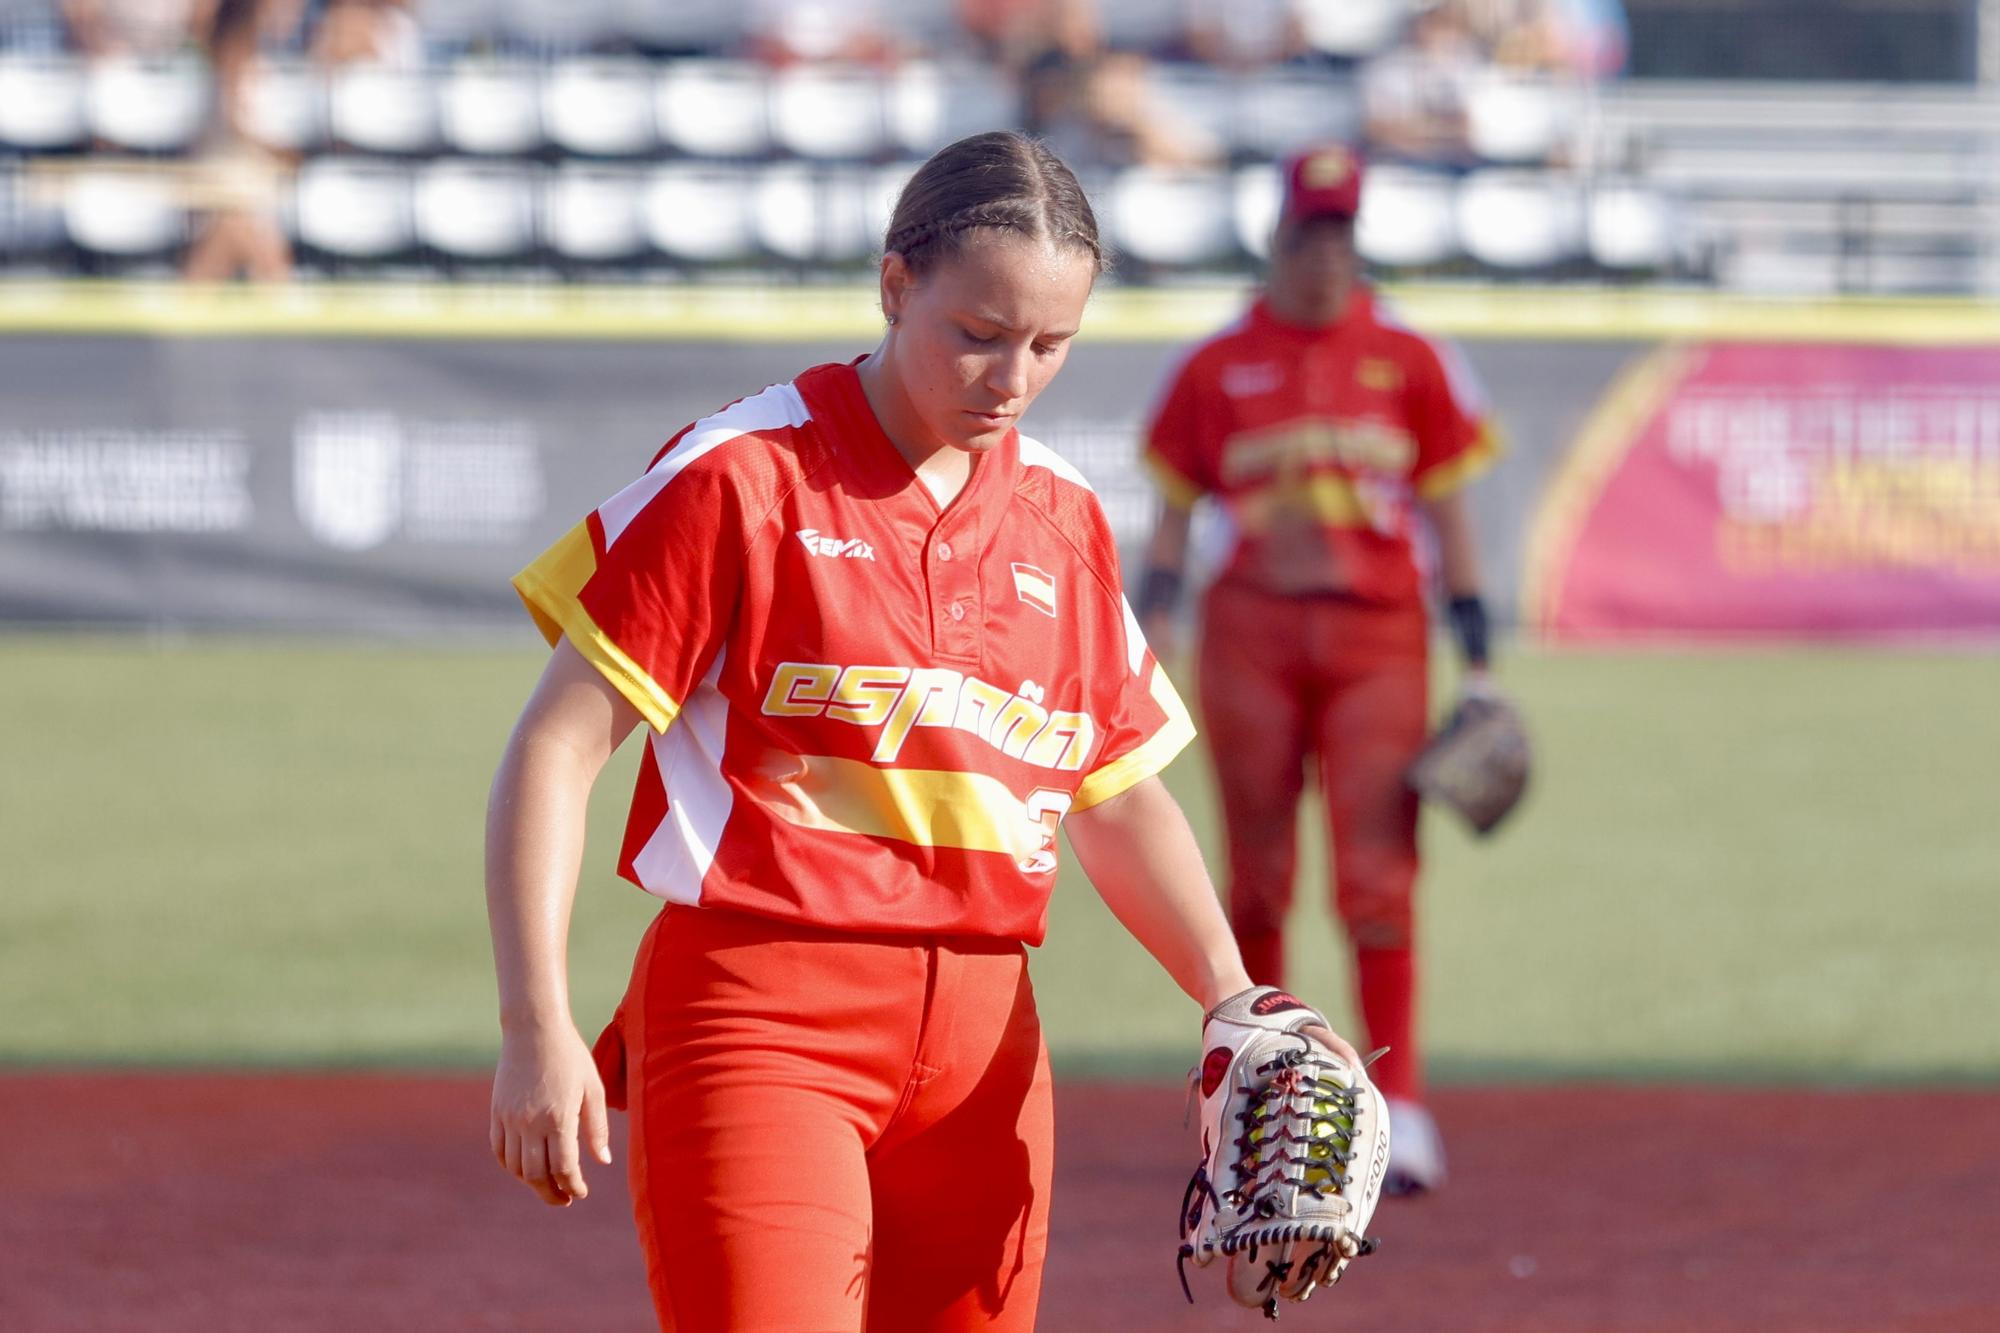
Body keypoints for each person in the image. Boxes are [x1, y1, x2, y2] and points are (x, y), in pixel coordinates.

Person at [483, 129, 1361, 1331]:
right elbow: (555, 748)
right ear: (896, 286)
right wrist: (535, 1023)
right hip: (760, 1014)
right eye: (978, 334)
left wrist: (1230, 994)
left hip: (987, 1050)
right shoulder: (743, 475)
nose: (1011, 376)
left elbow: (1107, 787)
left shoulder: (1060, 513)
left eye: (1051, 344)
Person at [1135, 143, 1502, 1195]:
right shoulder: (1213, 367)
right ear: (1278, 238)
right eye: (1310, 233)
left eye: (1342, 234)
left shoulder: (1409, 358)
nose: (1327, 254)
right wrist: (1146, 641)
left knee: (1377, 874)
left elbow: (1447, 513)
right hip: (1248, 633)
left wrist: (1476, 659)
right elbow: (1170, 522)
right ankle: (1274, 1098)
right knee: (1254, 878)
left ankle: (1402, 1098)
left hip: (1377, 636)